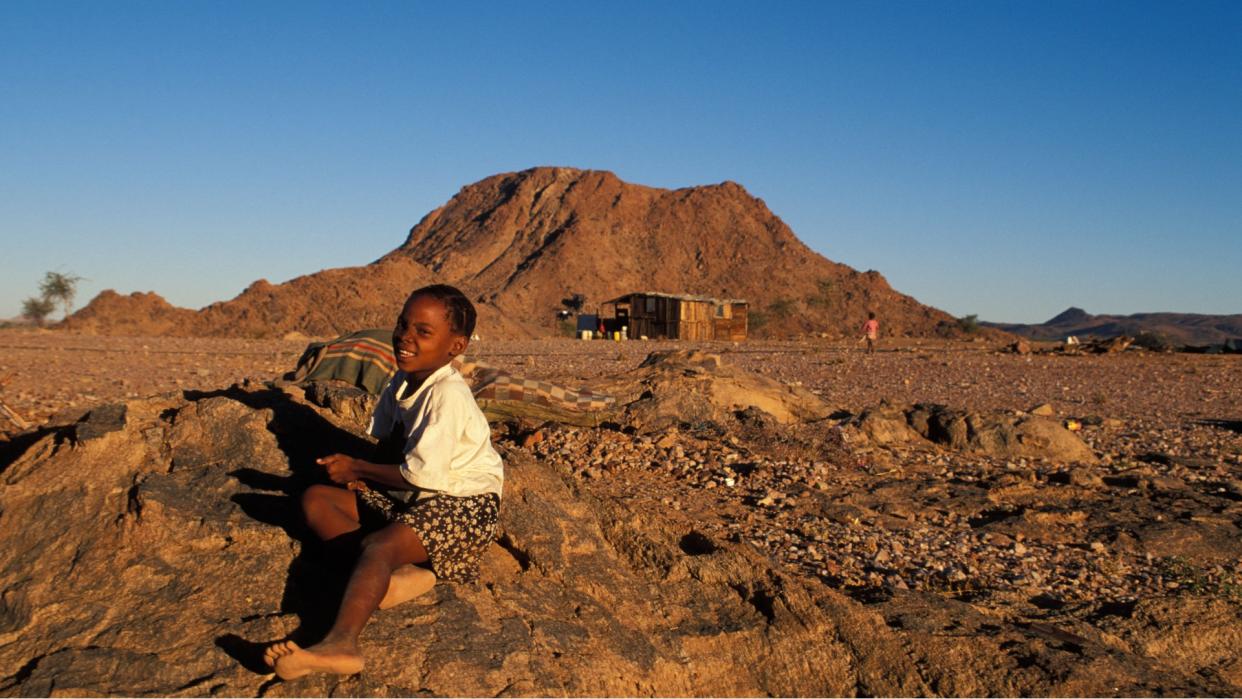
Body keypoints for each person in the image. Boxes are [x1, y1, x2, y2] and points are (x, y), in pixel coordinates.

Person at [264, 284, 504, 680]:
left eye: (423, 332)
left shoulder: (447, 395)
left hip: (465, 506)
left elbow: (424, 475)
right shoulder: (401, 380)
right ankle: (393, 579)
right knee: (318, 501)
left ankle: (341, 643)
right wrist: (356, 481)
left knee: (377, 545)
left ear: (455, 346)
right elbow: (390, 448)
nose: (405, 338)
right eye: (402, 324)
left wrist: (357, 470)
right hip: (418, 498)